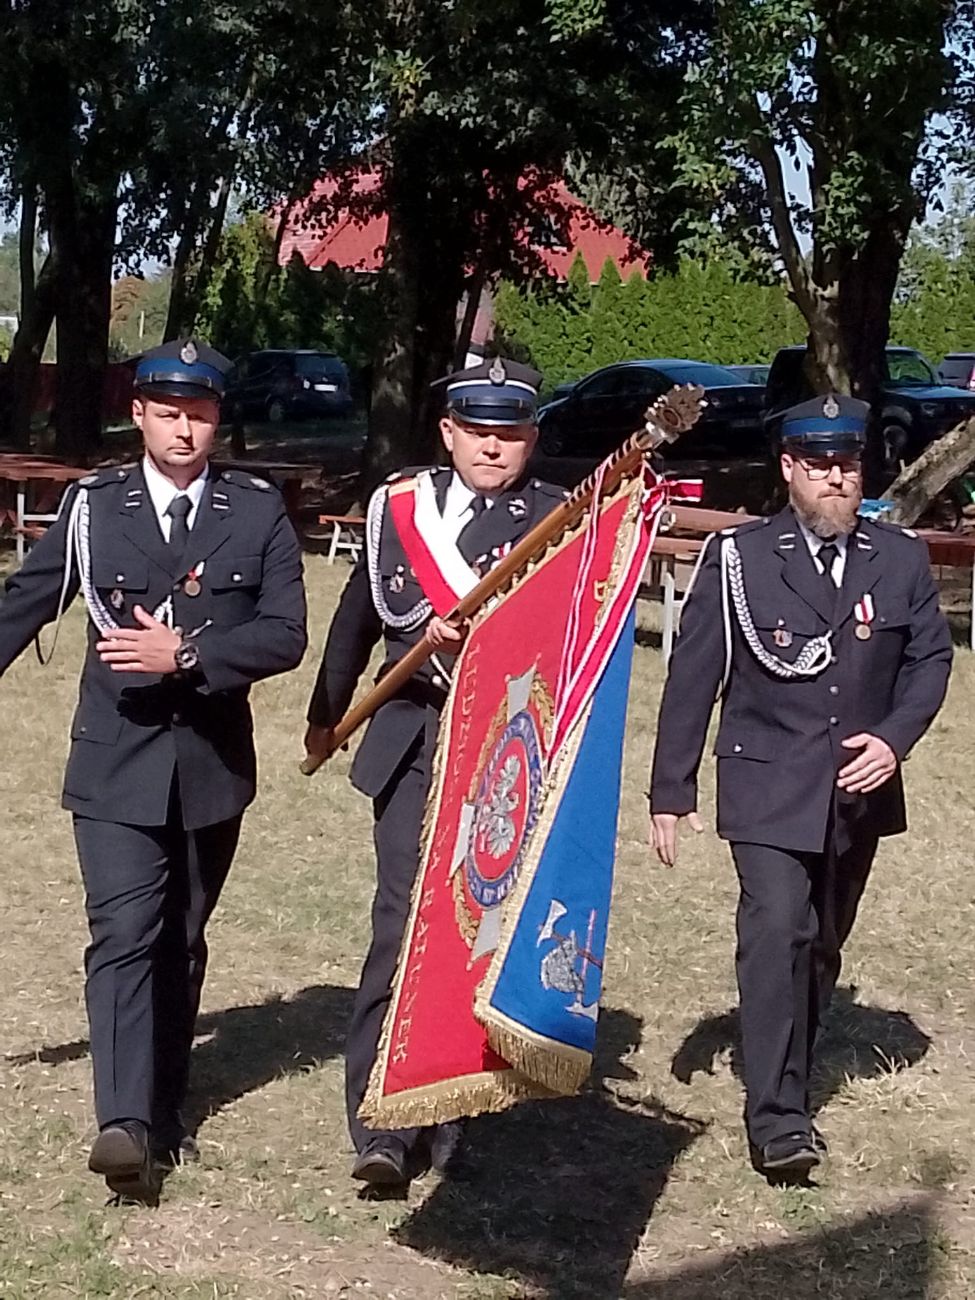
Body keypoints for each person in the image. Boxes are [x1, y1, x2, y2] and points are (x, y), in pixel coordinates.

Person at [0, 339, 307, 1200]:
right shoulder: (95, 506)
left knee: (181, 936)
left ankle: (165, 1103)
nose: (184, 428)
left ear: (218, 421)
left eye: (200, 414)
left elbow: (285, 633)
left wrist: (192, 651)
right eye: (168, 412)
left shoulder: (255, 511)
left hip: (209, 764)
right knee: (123, 934)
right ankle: (123, 1123)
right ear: (138, 414)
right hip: (114, 760)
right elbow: (27, 601)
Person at [648, 395, 951, 1177]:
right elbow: (693, 678)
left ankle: (790, 1058)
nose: (834, 480)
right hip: (765, 782)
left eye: (845, 466)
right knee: (774, 928)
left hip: (857, 787)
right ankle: (777, 1117)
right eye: (817, 466)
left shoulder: (898, 558)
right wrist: (669, 790)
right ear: (787, 470)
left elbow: (928, 662)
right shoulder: (741, 559)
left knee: (819, 942)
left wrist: (892, 740)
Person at [304, 357, 565, 1188]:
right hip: (411, 739)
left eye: (511, 434)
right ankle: (377, 1121)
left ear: (530, 439)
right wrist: (326, 712)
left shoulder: (553, 518)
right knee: (398, 926)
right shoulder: (399, 506)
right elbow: (357, 612)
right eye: (478, 432)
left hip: (501, 752)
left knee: (471, 932)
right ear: (448, 433)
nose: (494, 448)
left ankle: (447, 1109)